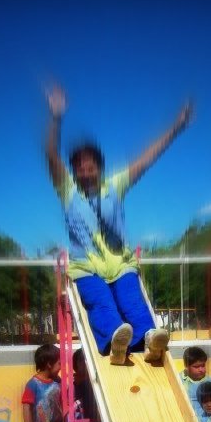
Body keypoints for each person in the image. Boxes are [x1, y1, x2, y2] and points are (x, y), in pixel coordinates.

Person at [45, 84, 192, 365]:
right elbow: (51, 156)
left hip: (120, 263)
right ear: (74, 171)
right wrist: (56, 118)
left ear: (100, 168)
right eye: (80, 168)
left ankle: (149, 340)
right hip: (87, 267)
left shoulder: (115, 186)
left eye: (91, 167)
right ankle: (116, 343)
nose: (86, 172)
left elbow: (148, 159)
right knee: (102, 302)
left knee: (132, 301)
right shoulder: (68, 191)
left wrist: (177, 126)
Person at [179, 346, 211, 418]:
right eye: (196, 367)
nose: (201, 370)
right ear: (186, 366)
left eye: (203, 365)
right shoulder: (178, 381)